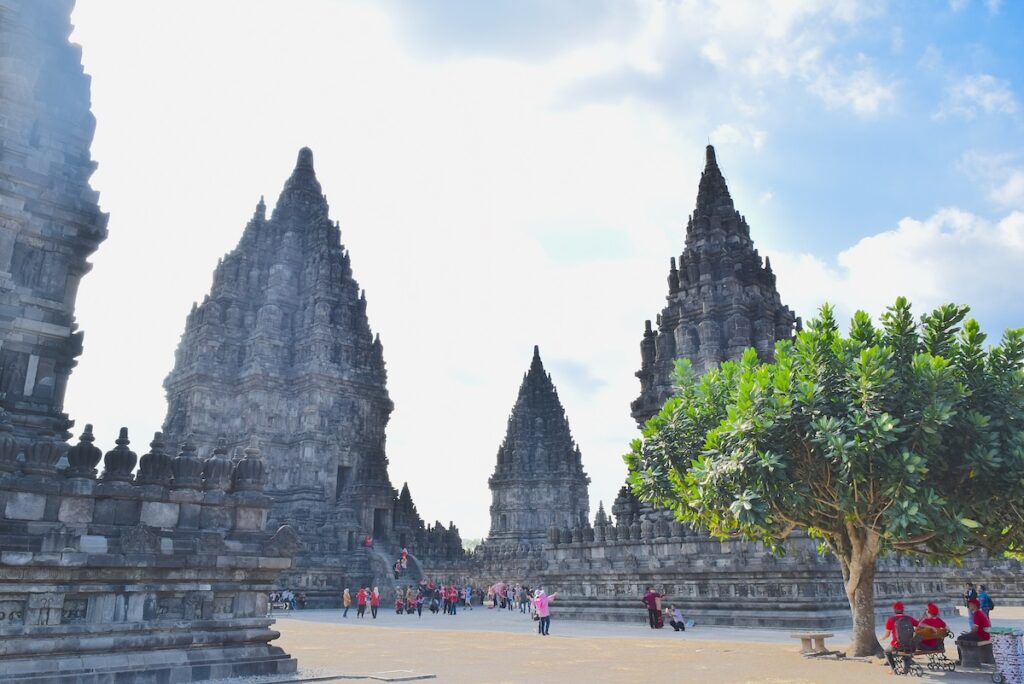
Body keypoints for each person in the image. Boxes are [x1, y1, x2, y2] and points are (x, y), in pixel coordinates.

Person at [880, 601, 919, 672]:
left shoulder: (891, 619)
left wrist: (882, 638)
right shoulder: (909, 618)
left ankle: (893, 669)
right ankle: (906, 668)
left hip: (897, 645)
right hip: (910, 644)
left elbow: (887, 635)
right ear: (903, 609)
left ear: (894, 610)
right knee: (906, 650)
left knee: (886, 652)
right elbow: (919, 625)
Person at [956, 598, 990, 666]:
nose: (969, 606)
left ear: (974, 605)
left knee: (960, 638)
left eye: (970, 604)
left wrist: (968, 634)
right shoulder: (980, 613)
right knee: (964, 636)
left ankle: (961, 660)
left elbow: (975, 630)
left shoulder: (977, 614)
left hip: (981, 636)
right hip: (985, 635)